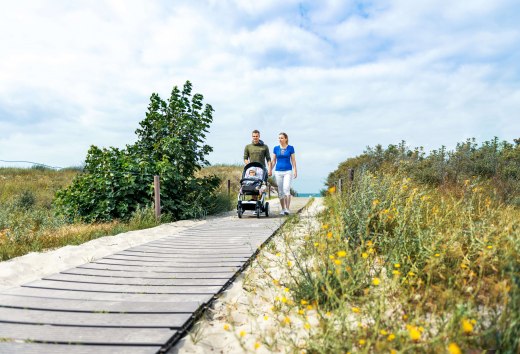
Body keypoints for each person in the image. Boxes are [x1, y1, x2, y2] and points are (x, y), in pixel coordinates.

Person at [269, 132, 297, 215]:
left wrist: (295, 170)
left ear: (286, 139)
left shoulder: (291, 148)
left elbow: (293, 160)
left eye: (281, 138)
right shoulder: (276, 148)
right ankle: (283, 209)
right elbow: (273, 161)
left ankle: (287, 209)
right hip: (278, 171)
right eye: (279, 138)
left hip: (288, 171)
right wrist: (270, 169)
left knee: (286, 189)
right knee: (280, 191)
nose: (280, 139)